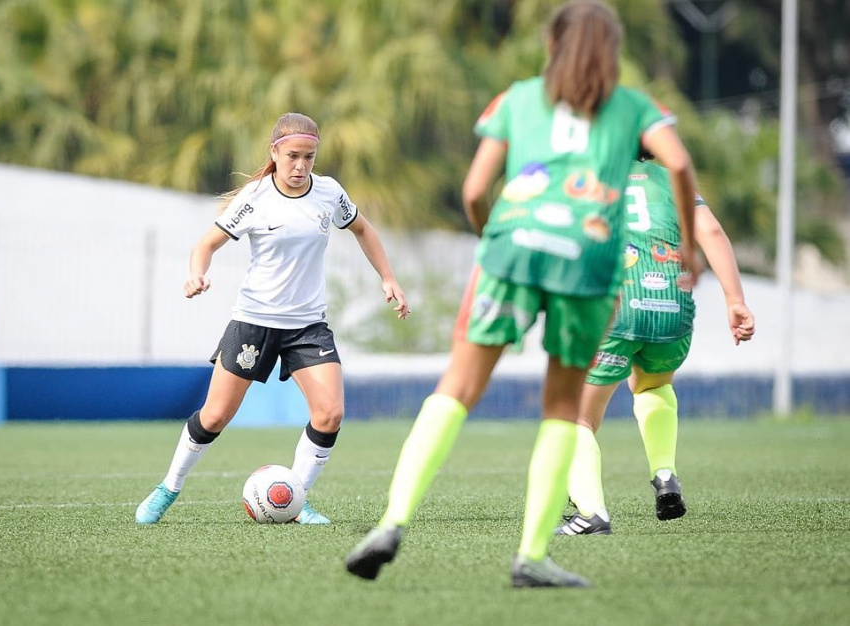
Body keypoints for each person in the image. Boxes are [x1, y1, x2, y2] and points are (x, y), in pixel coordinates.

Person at [345, 0, 703, 588]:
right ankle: (531, 556)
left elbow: (475, 187)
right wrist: (688, 249)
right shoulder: (635, 107)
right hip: (587, 257)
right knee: (563, 407)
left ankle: (392, 521)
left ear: (551, 46)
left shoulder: (516, 97)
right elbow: (681, 166)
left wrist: (494, 234)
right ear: (613, 52)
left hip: (513, 248)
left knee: (456, 388)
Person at [135, 112, 410, 526]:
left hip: (307, 325)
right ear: (275, 152)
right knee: (214, 416)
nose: (301, 166)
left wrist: (388, 278)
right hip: (254, 322)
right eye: (293, 156)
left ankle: (296, 497)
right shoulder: (255, 197)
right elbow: (206, 244)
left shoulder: (329, 193)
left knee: (330, 413)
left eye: (310, 158)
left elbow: (363, 230)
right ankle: (168, 488)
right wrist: (196, 273)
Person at [556, 153, 755, 536]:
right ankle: (664, 474)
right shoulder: (672, 178)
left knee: (576, 416)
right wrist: (735, 299)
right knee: (653, 385)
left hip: (615, 307)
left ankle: (592, 514)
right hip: (672, 305)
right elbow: (711, 232)